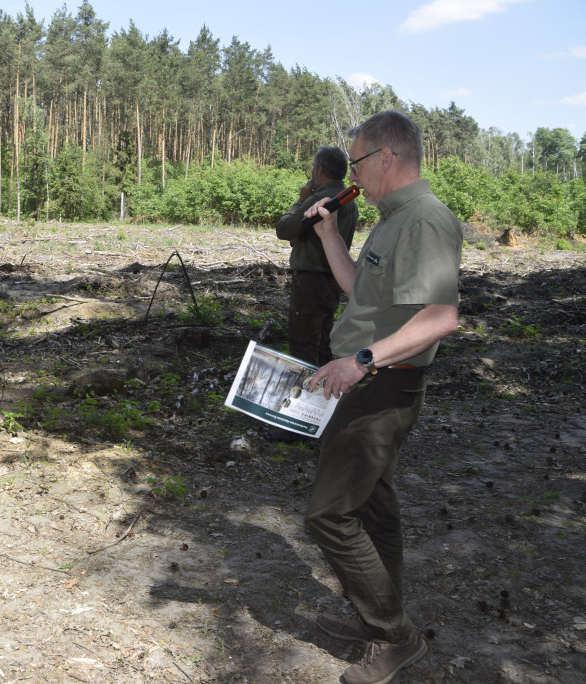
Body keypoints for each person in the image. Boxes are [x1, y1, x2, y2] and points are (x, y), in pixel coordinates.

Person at [303, 111, 462, 684]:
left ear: (387, 158)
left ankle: (394, 636)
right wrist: (326, 236)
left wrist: (362, 360)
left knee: (329, 514)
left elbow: (441, 318)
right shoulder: (393, 218)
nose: (353, 172)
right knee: (375, 506)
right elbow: (360, 295)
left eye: (359, 160)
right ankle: (377, 619)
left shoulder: (424, 220)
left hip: (381, 384)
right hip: (368, 380)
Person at [276, 145, 358, 367]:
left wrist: (302, 200)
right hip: (335, 279)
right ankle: (325, 395)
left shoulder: (321, 198)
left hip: (311, 281)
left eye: (313, 167)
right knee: (323, 341)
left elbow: (284, 230)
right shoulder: (348, 198)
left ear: (319, 169)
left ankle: (304, 395)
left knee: (303, 343)